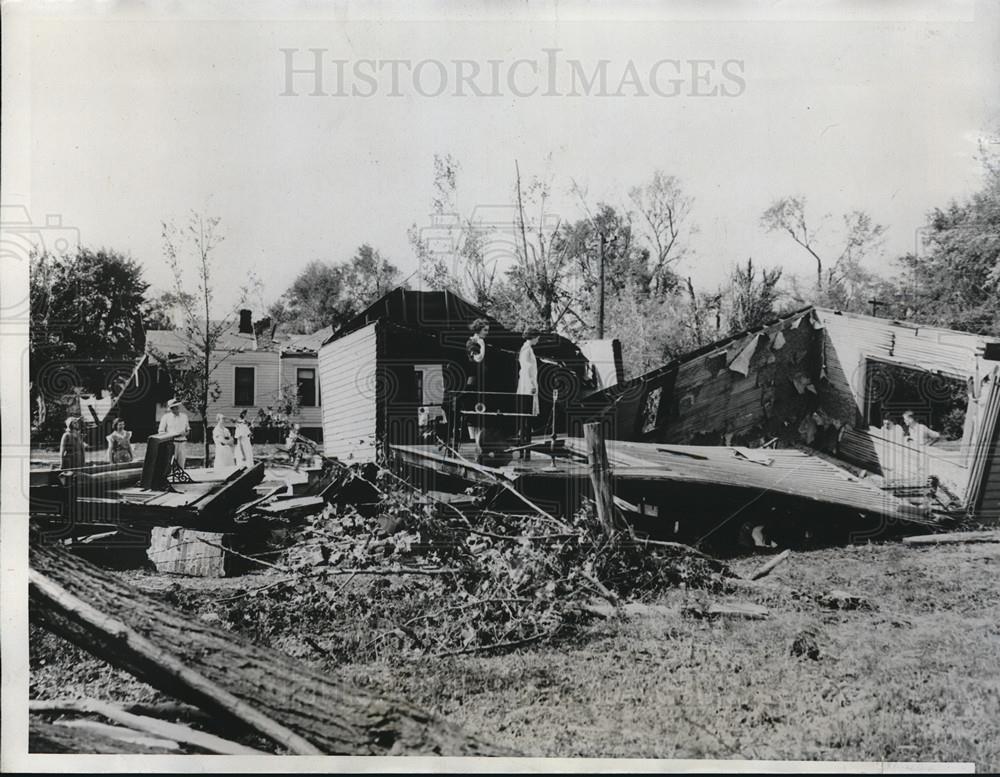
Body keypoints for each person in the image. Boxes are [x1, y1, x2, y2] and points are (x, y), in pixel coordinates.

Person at [465, 318, 490, 462]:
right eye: (485, 330)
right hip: (474, 381)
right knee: (474, 412)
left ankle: (480, 445)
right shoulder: (472, 343)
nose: (487, 333)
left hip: (481, 380)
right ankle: (476, 445)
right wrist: (482, 344)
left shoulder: (477, 342)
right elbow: (478, 359)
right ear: (478, 329)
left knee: (481, 412)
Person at [515, 329, 542, 460]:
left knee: (526, 420)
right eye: (537, 337)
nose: (538, 340)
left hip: (528, 384)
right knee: (525, 419)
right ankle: (524, 451)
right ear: (534, 337)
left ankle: (525, 452)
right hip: (527, 386)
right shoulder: (526, 350)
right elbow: (526, 368)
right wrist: (531, 385)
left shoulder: (528, 349)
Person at [158, 398, 191, 469]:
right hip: (172, 443)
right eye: (174, 408)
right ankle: (170, 477)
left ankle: (180, 479)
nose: (176, 409)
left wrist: (184, 434)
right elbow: (161, 431)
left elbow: (188, 430)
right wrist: (170, 436)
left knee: (181, 463)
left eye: (177, 407)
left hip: (182, 442)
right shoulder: (166, 417)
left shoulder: (184, 416)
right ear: (171, 409)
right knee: (171, 463)